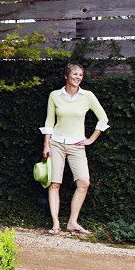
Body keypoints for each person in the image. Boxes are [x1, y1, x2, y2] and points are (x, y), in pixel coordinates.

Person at [40, 62, 109, 235]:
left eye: (80, 75)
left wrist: (91, 139)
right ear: (66, 76)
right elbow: (49, 121)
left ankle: (72, 222)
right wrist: (46, 144)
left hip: (77, 145)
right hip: (56, 143)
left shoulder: (88, 96)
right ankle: (56, 224)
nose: (78, 77)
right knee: (54, 184)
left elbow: (103, 119)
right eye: (75, 74)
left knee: (84, 183)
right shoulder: (55, 95)